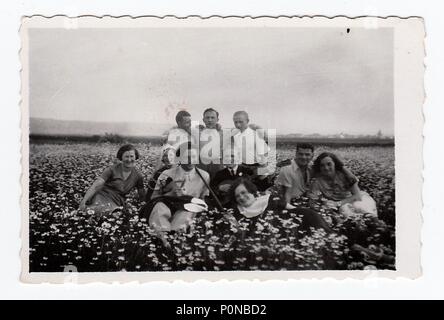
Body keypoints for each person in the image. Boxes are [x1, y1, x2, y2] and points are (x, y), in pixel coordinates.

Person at [147, 142, 210, 232]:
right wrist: (170, 194)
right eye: (186, 157)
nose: (191, 160)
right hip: (167, 206)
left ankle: (174, 237)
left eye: (194, 157)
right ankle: (162, 237)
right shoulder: (166, 174)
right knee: (159, 208)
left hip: (188, 209)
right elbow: (153, 198)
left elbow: (203, 199)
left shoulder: (204, 176)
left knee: (186, 213)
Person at [228, 178, 331, 232]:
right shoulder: (237, 212)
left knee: (310, 216)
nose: (241, 197)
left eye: (243, 192)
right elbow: (239, 231)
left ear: (251, 191)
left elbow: (295, 210)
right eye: (237, 196)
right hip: (268, 239)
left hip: (289, 230)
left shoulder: (270, 199)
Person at [78, 144, 145, 215]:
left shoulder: (138, 175)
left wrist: (143, 206)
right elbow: (96, 186)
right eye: (126, 156)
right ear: (121, 157)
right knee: (99, 211)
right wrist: (83, 201)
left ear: (136, 157)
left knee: (118, 214)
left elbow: (141, 194)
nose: (129, 160)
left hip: (119, 201)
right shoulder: (111, 170)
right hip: (103, 197)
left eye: (131, 156)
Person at [308, 152, 378, 218]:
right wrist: (327, 208)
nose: (326, 168)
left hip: (354, 201)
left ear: (335, 164)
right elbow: (313, 202)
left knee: (360, 209)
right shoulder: (317, 182)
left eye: (329, 164)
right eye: (322, 165)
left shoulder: (345, 175)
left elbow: (358, 196)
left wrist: (337, 204)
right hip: (335, 209)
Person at [231, 110, 275, 191]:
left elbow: (264, 159)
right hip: (244, 169)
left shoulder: (256, 135)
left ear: (247, 121)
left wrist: (261, 173)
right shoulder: (236, 136)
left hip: (259, 169)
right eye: (235, 122)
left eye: (241, 122)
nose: (238, 125)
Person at [198, 108, 224, 179]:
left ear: (217, 119)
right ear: (203, 119)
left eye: (212, 117)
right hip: (201, 165)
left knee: (216, 185)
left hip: (217, 165)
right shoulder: (198, 133)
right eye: (207, 117)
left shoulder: (222, 134)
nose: (210, 120)